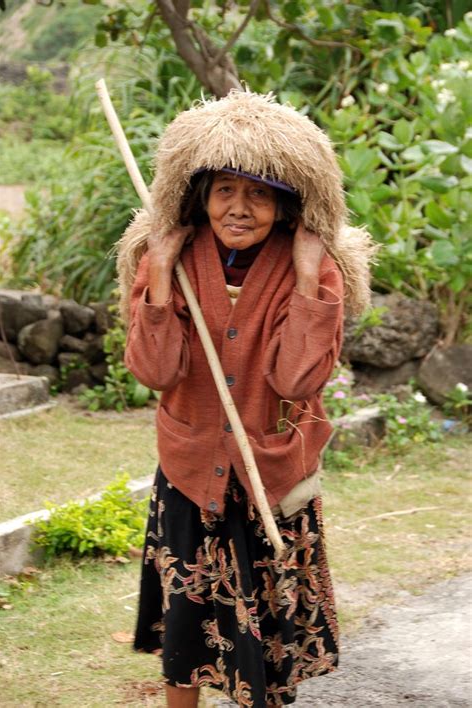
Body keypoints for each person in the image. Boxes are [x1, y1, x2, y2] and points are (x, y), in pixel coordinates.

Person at [119, 90, 374, 708]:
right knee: (186, 626)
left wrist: (311, 279)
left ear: (284, 205)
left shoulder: (313, 268)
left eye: (258, 193)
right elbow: (155, 371)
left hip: (271, 469)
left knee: (267, 632)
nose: (239, 208)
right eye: (224, 190)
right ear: (201, 196)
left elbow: (295, 381)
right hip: (190, 469)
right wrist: (157, 276)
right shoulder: (168, 262)